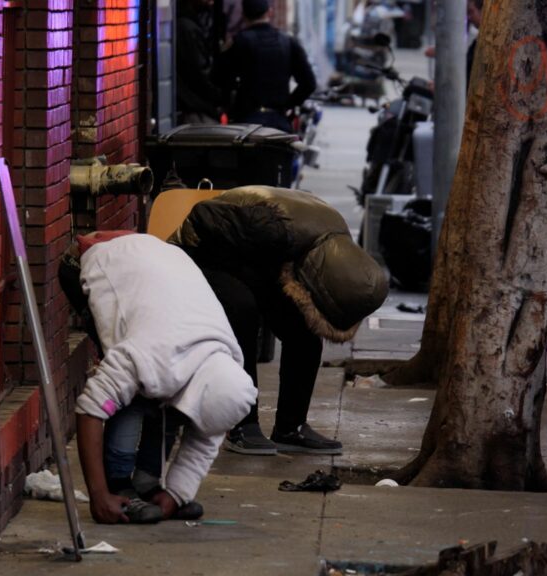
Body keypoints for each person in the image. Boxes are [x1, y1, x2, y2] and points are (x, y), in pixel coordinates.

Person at [167, 185, 389, 455]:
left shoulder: (330, 240)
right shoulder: (274, 230)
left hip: (255, 257)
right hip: (199, 250)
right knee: (242, 313)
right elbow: (203, 214)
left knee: (303, 333)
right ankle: (241, 424)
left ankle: (290, 428)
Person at [67, 231, 257, 523]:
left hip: (154, 261)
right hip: (96, 255)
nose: (188, 429)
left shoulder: (226, 376)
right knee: (133, 394)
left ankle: (146, 482)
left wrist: (175, 497)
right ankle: (119, 484)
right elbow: (91, 409)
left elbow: (204, 444)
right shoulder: (149, 356)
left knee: (162, 395)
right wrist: (98, 495)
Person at [214, 0, 317, 132]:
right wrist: (288, 104)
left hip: (245, 123)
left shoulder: (238, 42)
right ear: (270, 12)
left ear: (244, 15)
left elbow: (218, 78)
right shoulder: (288, 42)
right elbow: (309, 83)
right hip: (278, 123)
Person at [177, 0, 224, 124]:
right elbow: (200, 73)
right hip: (196, 109)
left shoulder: (188, 24)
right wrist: (219, 95)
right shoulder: (188, 28)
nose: (212, 3)